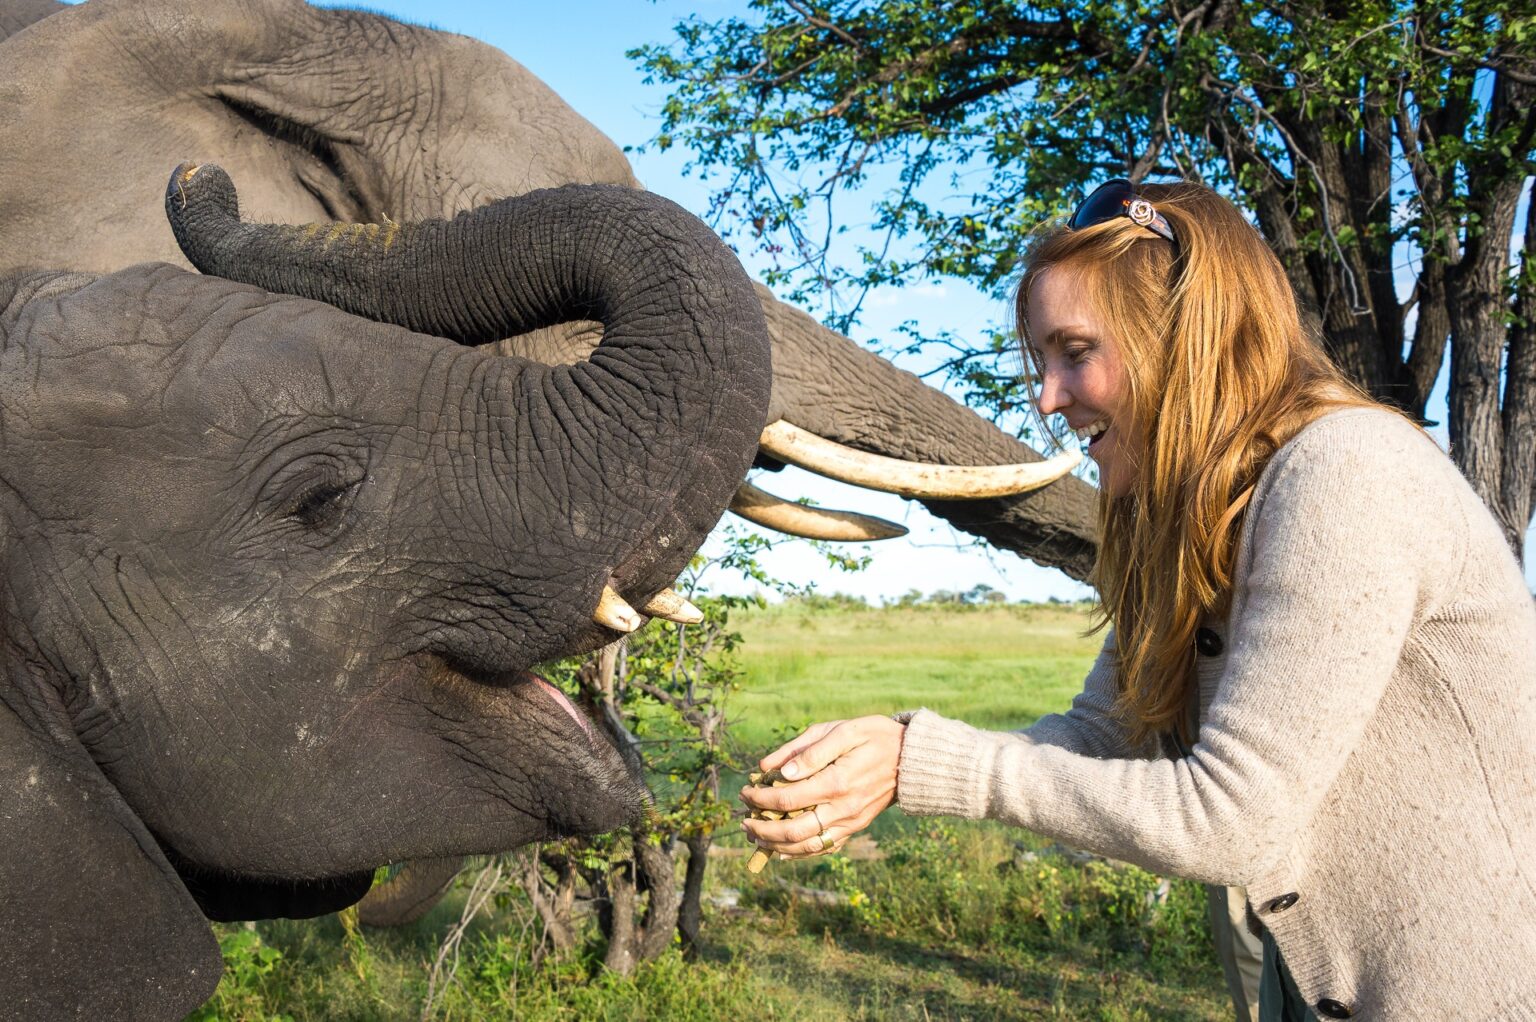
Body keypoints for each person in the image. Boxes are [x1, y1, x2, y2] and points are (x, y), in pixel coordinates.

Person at [741, 180, 1536, 1021]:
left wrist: (937, 765)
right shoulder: (1185, 519)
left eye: (1075, 352)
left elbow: (1235, 818)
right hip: (1324, 978)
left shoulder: (1347, 472)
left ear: (1187, 338)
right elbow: (1105, 735)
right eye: (1043, 362)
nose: (1047, 397)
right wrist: (899, 753)